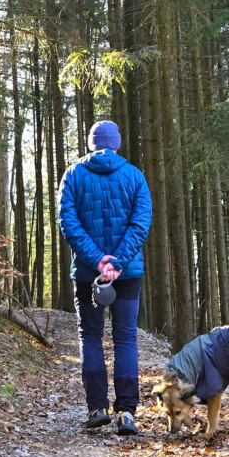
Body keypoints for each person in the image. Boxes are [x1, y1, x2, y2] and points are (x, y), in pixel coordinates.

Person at [58, 119, 152, 435]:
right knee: (125, 337)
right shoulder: (135, 176)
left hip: (89, 274)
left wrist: (98, 261)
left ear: (91, 143)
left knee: (90, 336)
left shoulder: (73, 175)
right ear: (117, 142)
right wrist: (118, 262)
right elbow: (140, 224)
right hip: (127, 273)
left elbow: (68, 223)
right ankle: (126, 413)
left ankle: (97, 409)